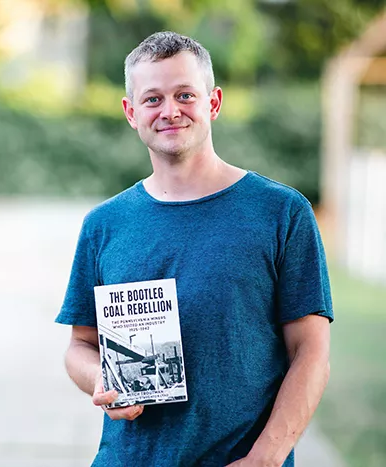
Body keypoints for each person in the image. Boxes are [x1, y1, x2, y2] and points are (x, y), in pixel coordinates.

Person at [55, 31, 333, 467]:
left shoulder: (281, 212)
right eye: (152, 99)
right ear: (131, 112)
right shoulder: (104, 225)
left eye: (185, 94)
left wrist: (266, 458)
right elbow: (80, 345)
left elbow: (311, 351)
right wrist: (101, 381)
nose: (170, 111)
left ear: (213, 103)